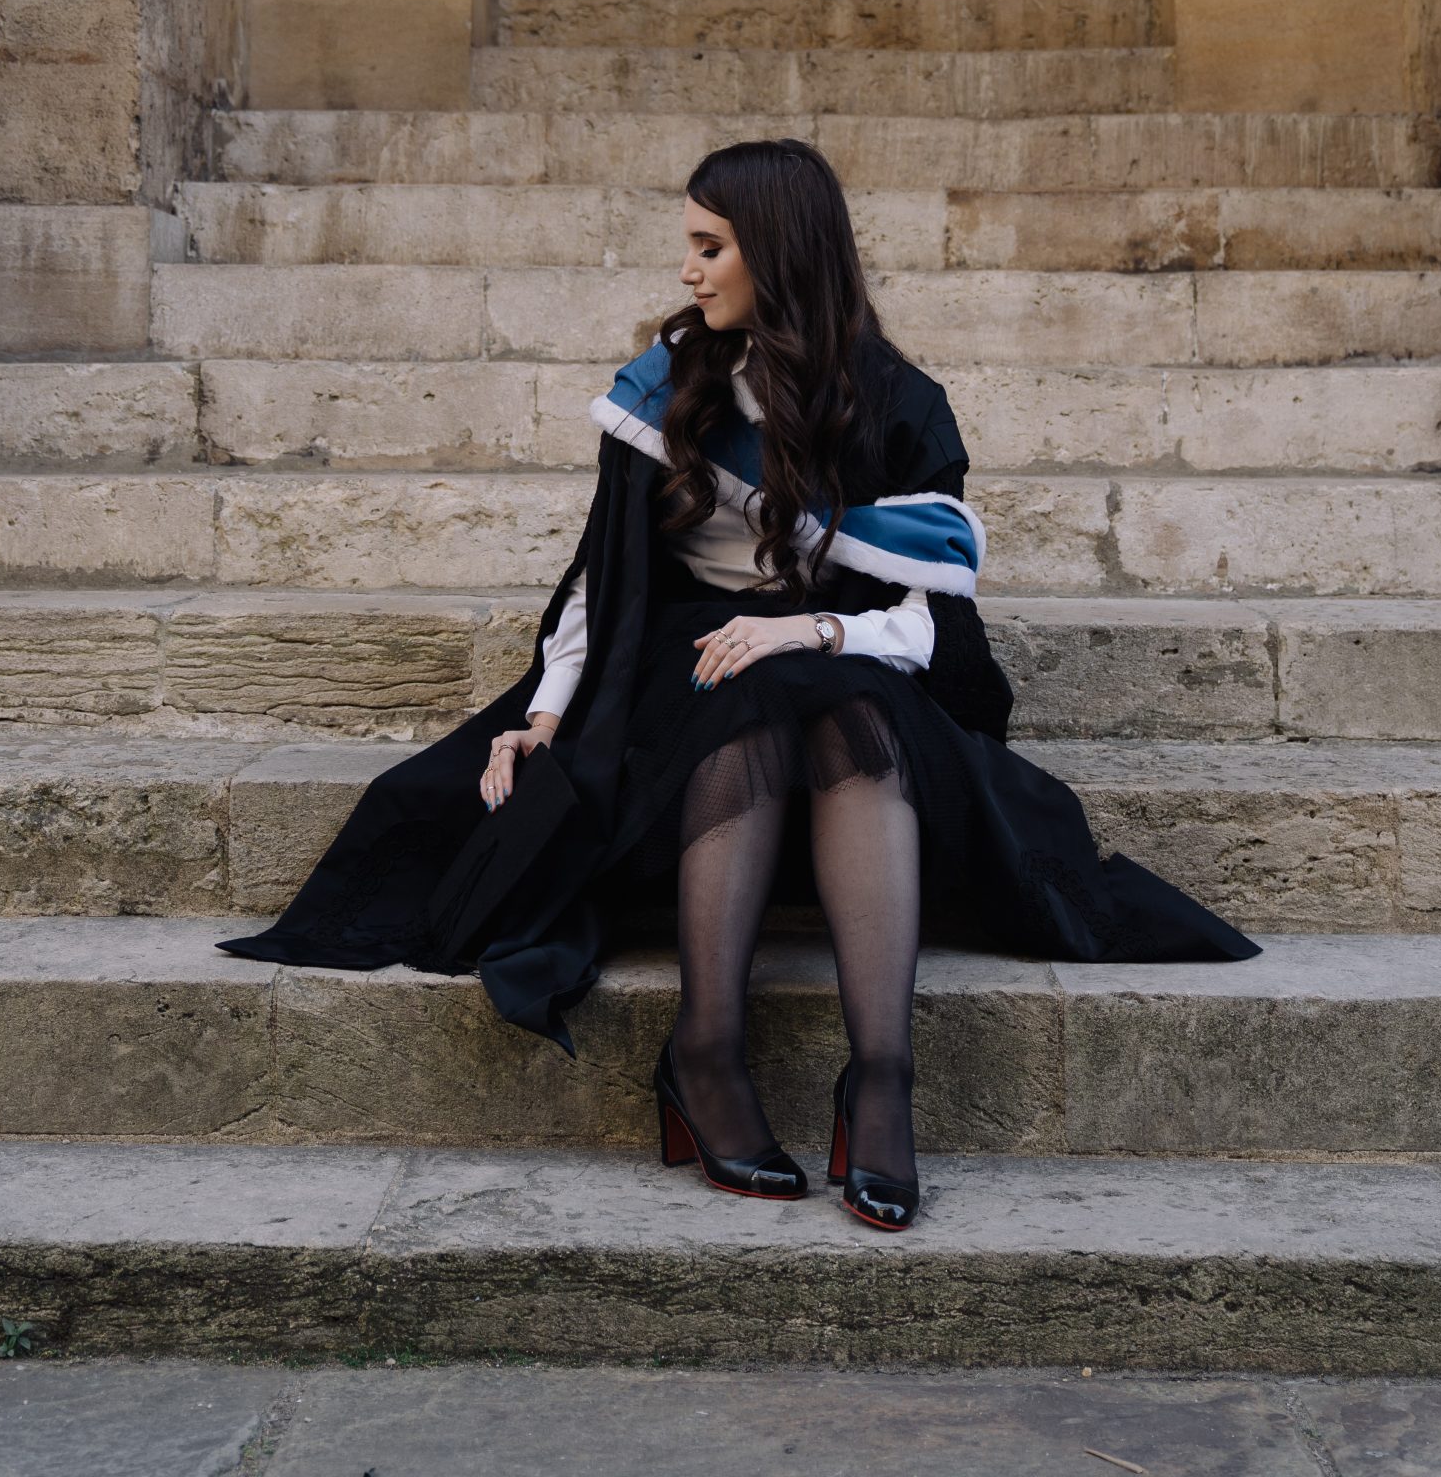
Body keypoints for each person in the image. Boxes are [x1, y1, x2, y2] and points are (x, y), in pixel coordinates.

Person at [221, 138, 1255, 1231]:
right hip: (685, 672)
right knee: (751, 699)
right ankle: (707, 1054)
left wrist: (806, 631)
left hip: (845, 655)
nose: (689, 271)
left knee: (847, 698)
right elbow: (601, 579)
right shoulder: (666, 392)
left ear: (778, 252)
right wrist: (539, 718)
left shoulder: (900, 408)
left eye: (710, 247)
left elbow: (931, 620)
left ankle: (884, 1080)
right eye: (690, 247)